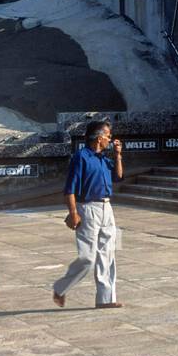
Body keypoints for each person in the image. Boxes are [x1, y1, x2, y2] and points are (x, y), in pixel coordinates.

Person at [53, 120, 124, 309]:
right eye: (108, 136)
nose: (110, 139)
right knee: (88, 257)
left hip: (107, 208)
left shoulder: (104, 158)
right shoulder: (81, 157)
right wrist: (73, 212)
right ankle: (61, 287)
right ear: (99, 138)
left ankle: (106, 299)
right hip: (87, 208)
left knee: (108, 254)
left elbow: (118, 176)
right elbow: (70, 189)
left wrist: (118, 156)